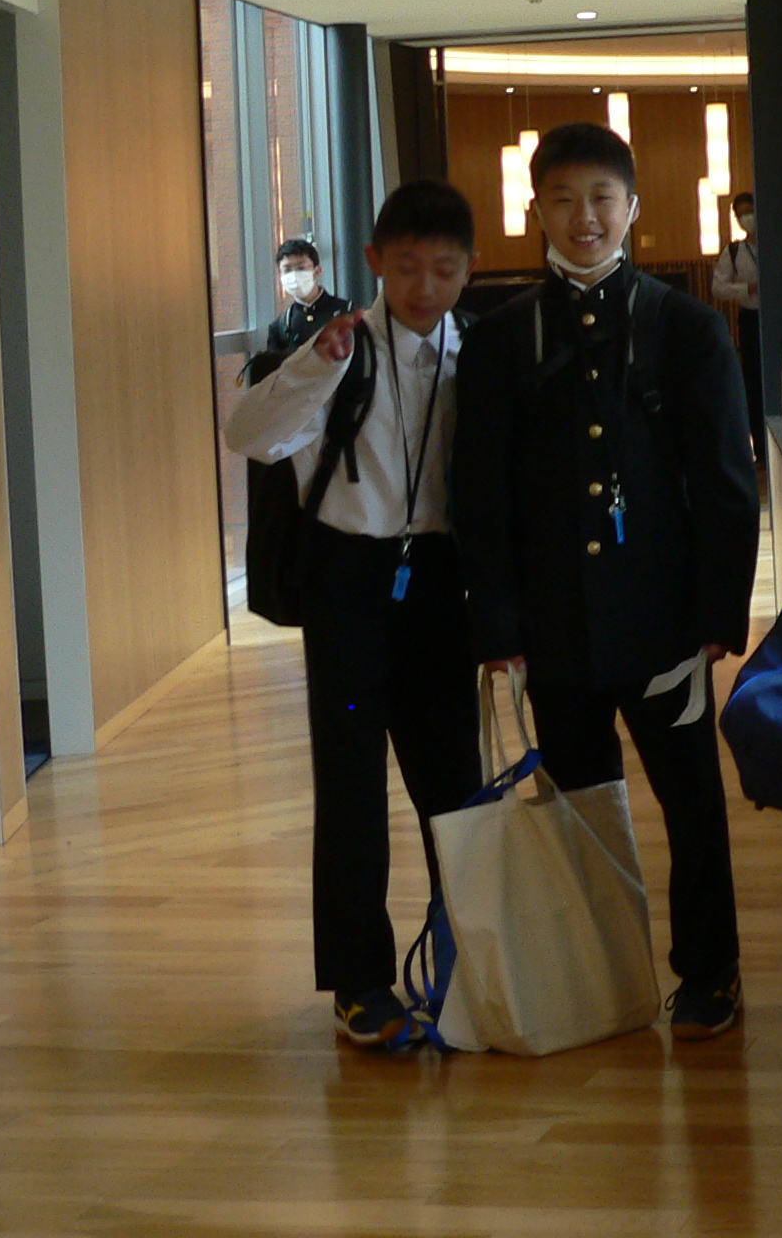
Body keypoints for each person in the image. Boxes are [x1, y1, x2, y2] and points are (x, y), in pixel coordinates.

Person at [449, 122, 760, 1041]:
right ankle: (605, 978)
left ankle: (710, 973)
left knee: (692, 806)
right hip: (554, 625)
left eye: (601, 198)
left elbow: (728, 483)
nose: (584, 217)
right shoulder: (499, 339)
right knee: (582, 809)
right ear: (536, 209)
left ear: (631, 207)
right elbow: (479, 494)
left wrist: (718, 614)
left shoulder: (686, 326)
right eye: (564, 199)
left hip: (666, 624)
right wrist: (497, 624)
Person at [223, 183, 482, 1050]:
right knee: (350, 785)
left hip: (440, 585)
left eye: (443, 269)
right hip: (348, 586)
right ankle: (360, 981)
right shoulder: (337, 348)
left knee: (454, 784)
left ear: (468, 270)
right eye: (406, 267)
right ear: (374, 263)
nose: (424, 287)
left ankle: (468, 962)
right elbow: (249, 436)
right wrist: (313, 366)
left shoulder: (476, 352)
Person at [710, 190, 766, 477]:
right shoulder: (734, 251)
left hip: (776, 318)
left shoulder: (773, 243)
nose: (747, 218)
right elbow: (717, 288)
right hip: (750, 319)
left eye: (750, 212)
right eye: (741, 214)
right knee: (753, 385)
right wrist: (746, 289)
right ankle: (760, 453)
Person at [260, 238, 347, 364]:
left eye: (301, 268)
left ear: (317, 271)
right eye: (287, 270)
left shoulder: (347, 312)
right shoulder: (280, 326)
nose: (294, 275)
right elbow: (275, 370)